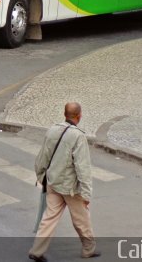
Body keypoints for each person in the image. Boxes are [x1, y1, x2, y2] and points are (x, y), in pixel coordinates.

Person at [29, 102, 100, 262]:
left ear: (64, 114)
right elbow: (83, 167)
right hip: (70, 188)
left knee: (49, 217)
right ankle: (88, 249)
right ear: (79, 116)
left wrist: (41, 177)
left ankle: (37, 250)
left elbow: (42, 156)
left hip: (53, 183)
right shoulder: (78, 136)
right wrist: (86, 193)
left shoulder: (52, 130)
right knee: (81, 219)